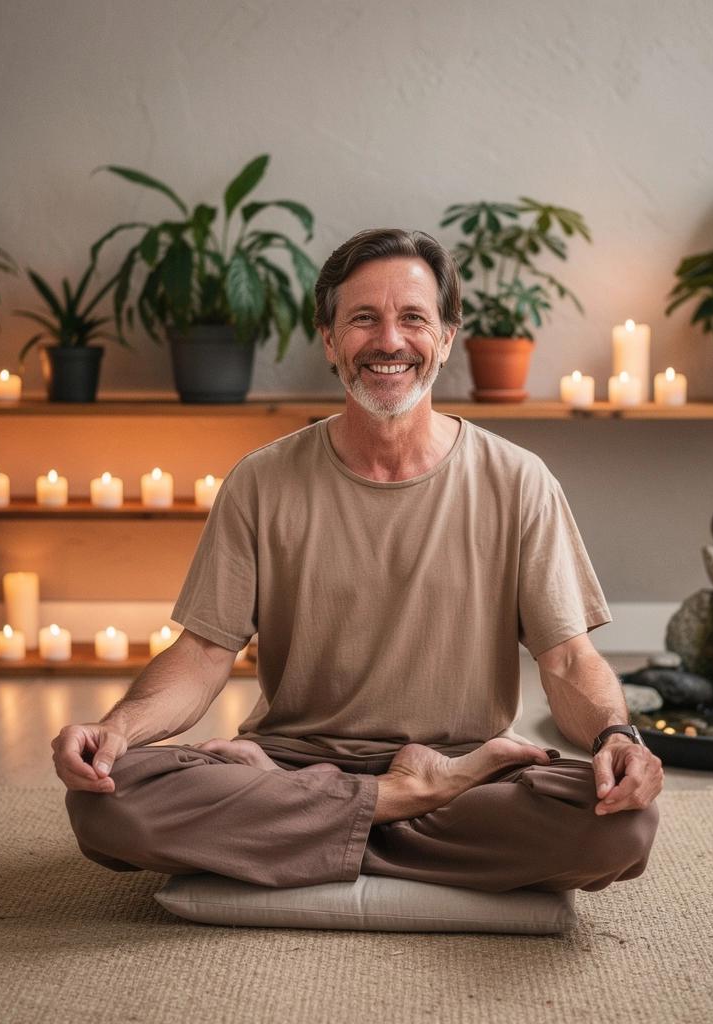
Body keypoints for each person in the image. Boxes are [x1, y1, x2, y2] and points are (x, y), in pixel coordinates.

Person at [55, 228, 663, 894]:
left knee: (621, 828)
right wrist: (113, 730)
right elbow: (202, 656)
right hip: (291, 763)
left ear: (448, 336)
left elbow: (568, 660)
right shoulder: (261, 481)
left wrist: (616, 738)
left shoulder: (520, 481)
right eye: (363, 319)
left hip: (465, 773)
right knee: (105, 803)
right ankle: (402, 806)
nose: (389, 341)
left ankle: (310, 834)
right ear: (329, 339)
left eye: (413, 318)